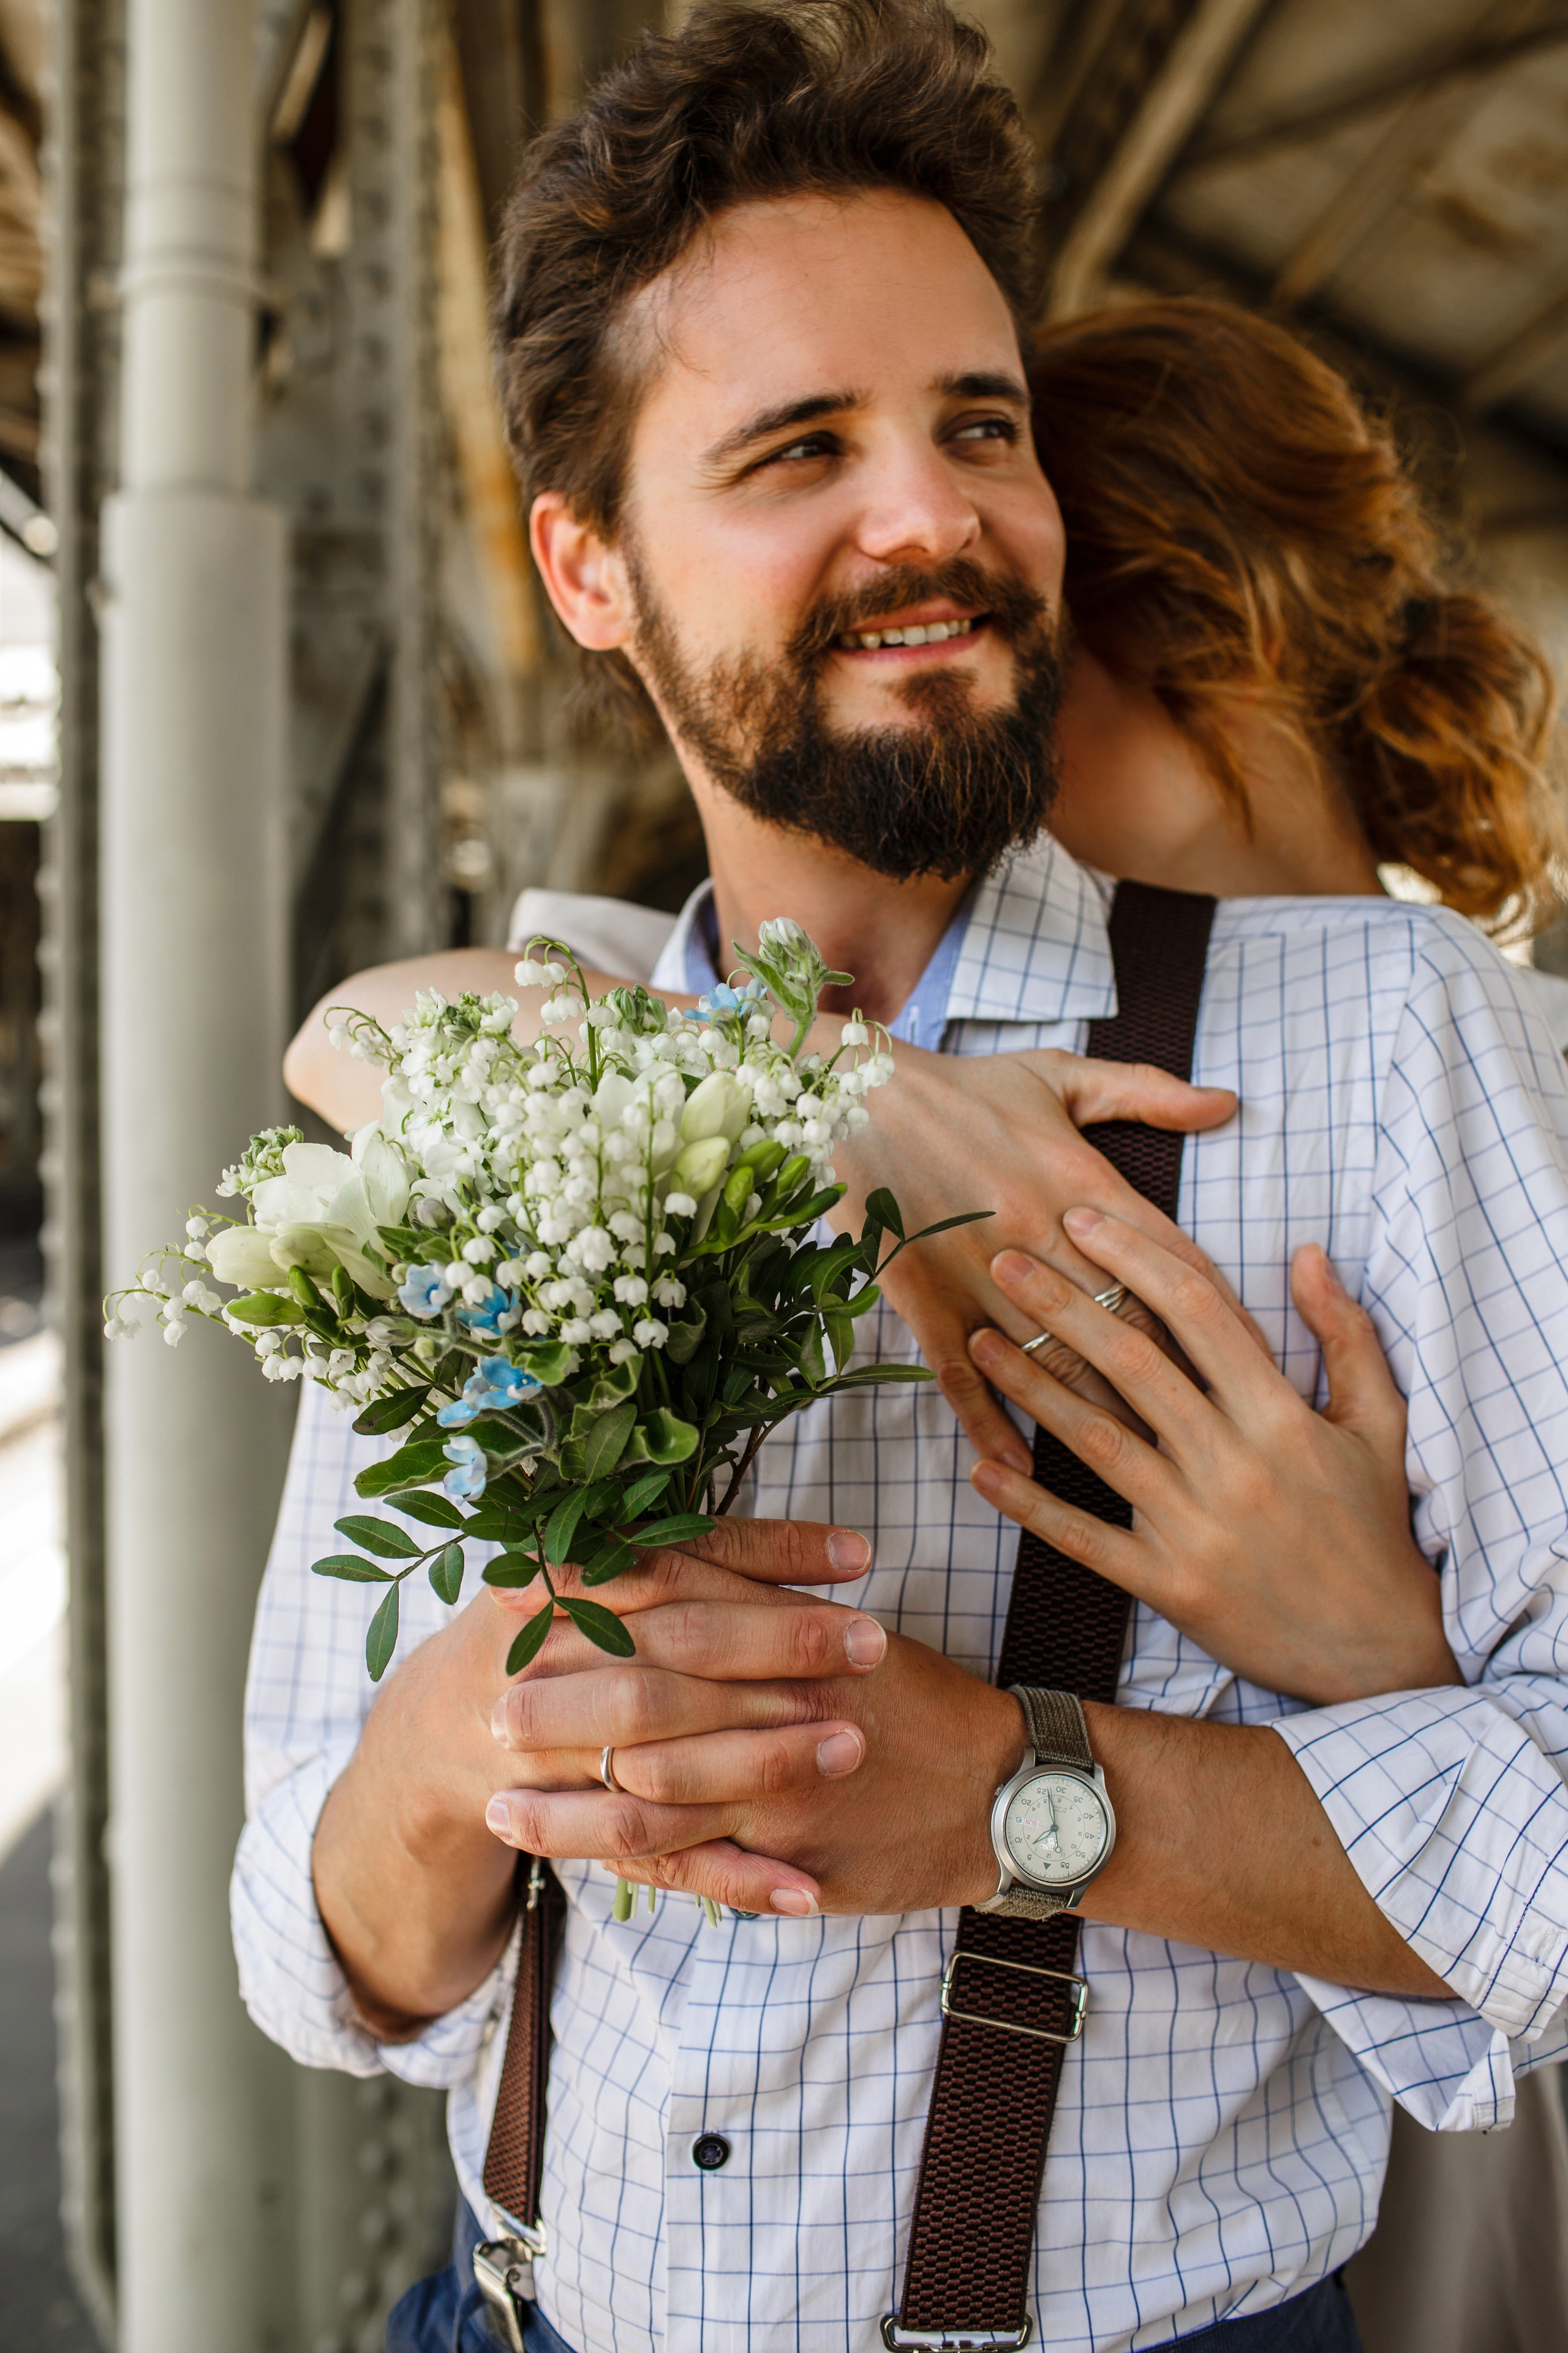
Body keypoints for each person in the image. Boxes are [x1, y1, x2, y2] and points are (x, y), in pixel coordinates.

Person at [233, 9, 1568, 2352]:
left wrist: (1029, 1799)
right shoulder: (479, 1096)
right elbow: (315, 1941)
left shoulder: (1379, 1040)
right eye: (795, 448)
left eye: (980, 425)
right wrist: (454, 1752)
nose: (934, 512)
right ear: (592, 567)